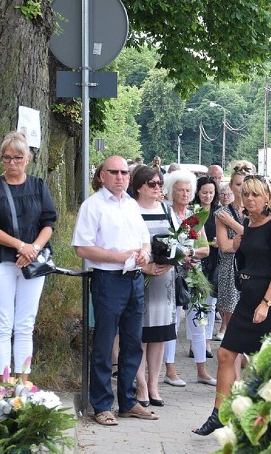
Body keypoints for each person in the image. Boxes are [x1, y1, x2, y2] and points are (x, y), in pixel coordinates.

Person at [193, 176, 271, 436]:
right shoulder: (248, 224)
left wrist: (266, 303)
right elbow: (233, 248)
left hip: (266, 298)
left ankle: (264, 420)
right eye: (246, 194)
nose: (249, 199)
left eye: (255, 195)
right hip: (246, 296)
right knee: (225, 354)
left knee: (262, 362)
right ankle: (219, 414)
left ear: (267, 197)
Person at [73, 155, 158, 425]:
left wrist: (144, 253)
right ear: (102, 176)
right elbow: (82, 248)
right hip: (108, 279)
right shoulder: (93, 206)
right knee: (105, 342)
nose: (120, 177)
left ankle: (128, 401)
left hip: (134, 279)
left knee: (133, 343)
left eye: (124, 172)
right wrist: (121, 256)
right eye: (114, 172)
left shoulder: (131, 205)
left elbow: (144, 238)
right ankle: (101, 404)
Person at [0, 130, 57, 382]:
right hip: (0, 260)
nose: (12, 163)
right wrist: (22, 246)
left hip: (32, 261)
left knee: (25, 324)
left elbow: (49, 222)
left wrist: (32, 249)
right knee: (2, 323)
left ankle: (23, 380)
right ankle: (3, 379)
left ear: (28, 158)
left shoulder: (39, 185)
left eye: (17, 158)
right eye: (7, 158)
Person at [162, 170, 214, 387]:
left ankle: (202, 370)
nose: (185, 194)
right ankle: (170, 370)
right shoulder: (166, 214)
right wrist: (183, 254)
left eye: (188, 190)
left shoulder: (195, 215)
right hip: (172, 275)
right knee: (172, 322)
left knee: (199, 321)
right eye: (180, 190)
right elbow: (164, 246)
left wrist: (189, 253)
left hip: (194, 274)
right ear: (171, 191)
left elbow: (205, 249)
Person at [132, 166, 175, 408]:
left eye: (159, 183)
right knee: (140, 335)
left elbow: (178, 240)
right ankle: (140, 384)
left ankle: (154, 384)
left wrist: (172, 261)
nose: (157, 187)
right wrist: (145, 267)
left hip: (163, 279)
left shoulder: (165, 209)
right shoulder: (131, 210)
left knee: (159, 335)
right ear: (139, 186)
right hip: (140, 276)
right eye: (152, 184)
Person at [213, 168, 247, 343]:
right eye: (238, 184)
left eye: (245, 183)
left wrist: (233, 225)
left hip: (252, 267)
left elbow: (259, 239)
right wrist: (247, 240)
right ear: (232, 186)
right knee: (232, 315)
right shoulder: (222, 213)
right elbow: (225, 246)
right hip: (231, 267)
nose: (242, 189)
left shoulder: (258, 210)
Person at [193, 176, 220, 357]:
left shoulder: (219, 213)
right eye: (204, 192)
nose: (208, 196)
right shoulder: (193, 213)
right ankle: (196, 339)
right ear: (198, 193)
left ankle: (207, 340)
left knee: (211, 303)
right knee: (196, 303)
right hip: (197, 260)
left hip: (215, 261)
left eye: (211, 192)